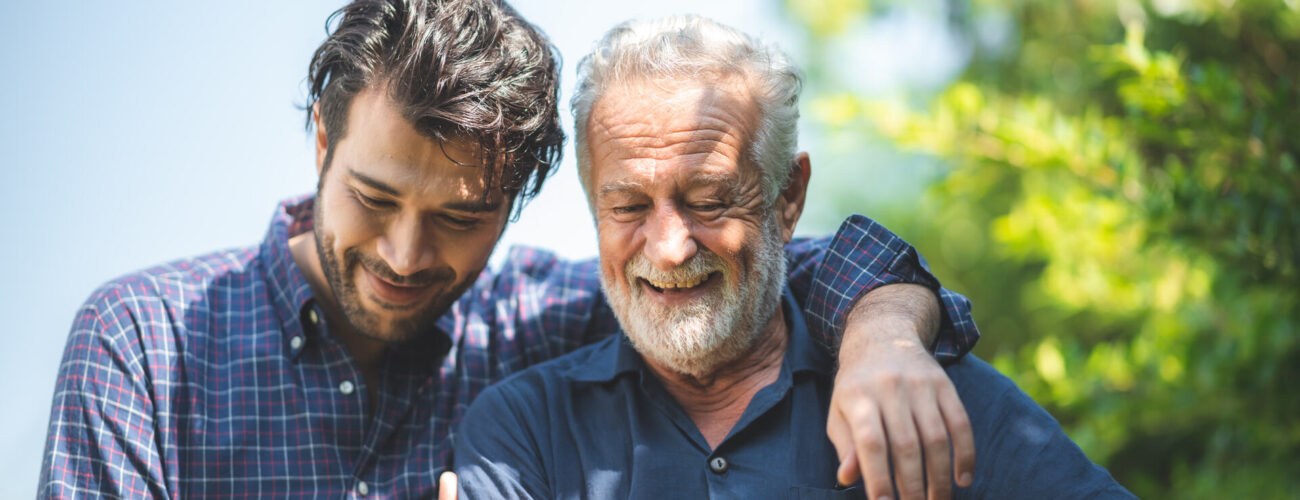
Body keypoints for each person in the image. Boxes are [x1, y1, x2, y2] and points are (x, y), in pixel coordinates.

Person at [37, 1, 979, 499]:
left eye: (460, 217)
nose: (406, 256)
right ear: (322, 144)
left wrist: (886, 336)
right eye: (373, 199)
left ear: (518, 204)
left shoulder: (543, 323)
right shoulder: (143, 347)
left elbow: (750, 264)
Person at [454, 15, 1135, 500]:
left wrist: (888, 334)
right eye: (629, 206)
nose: (668, 248)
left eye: (710, 200)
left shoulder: (913, 390)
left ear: (788, 196)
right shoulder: (523, 430)